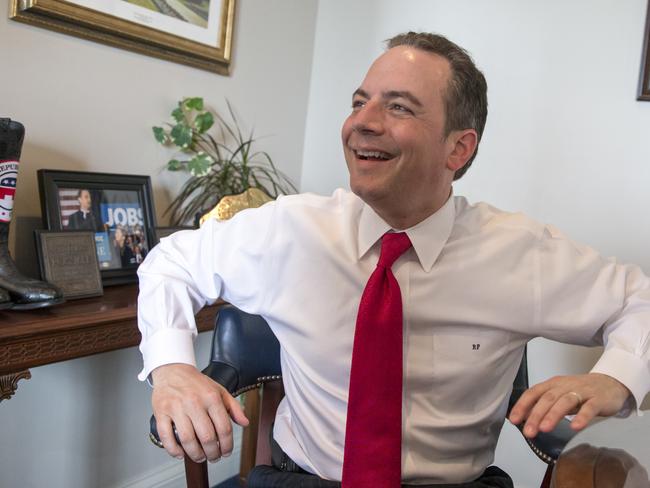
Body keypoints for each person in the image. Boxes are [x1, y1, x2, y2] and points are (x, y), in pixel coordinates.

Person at [137, 32, 649, 487]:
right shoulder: (289, 230)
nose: (362, 122)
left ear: (459, 148)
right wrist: (172, 368)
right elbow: (170, 263)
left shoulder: (519, 252)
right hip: (303, 479)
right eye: (359, 102)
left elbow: (639, 299)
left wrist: (616, 379)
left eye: (399, 107)